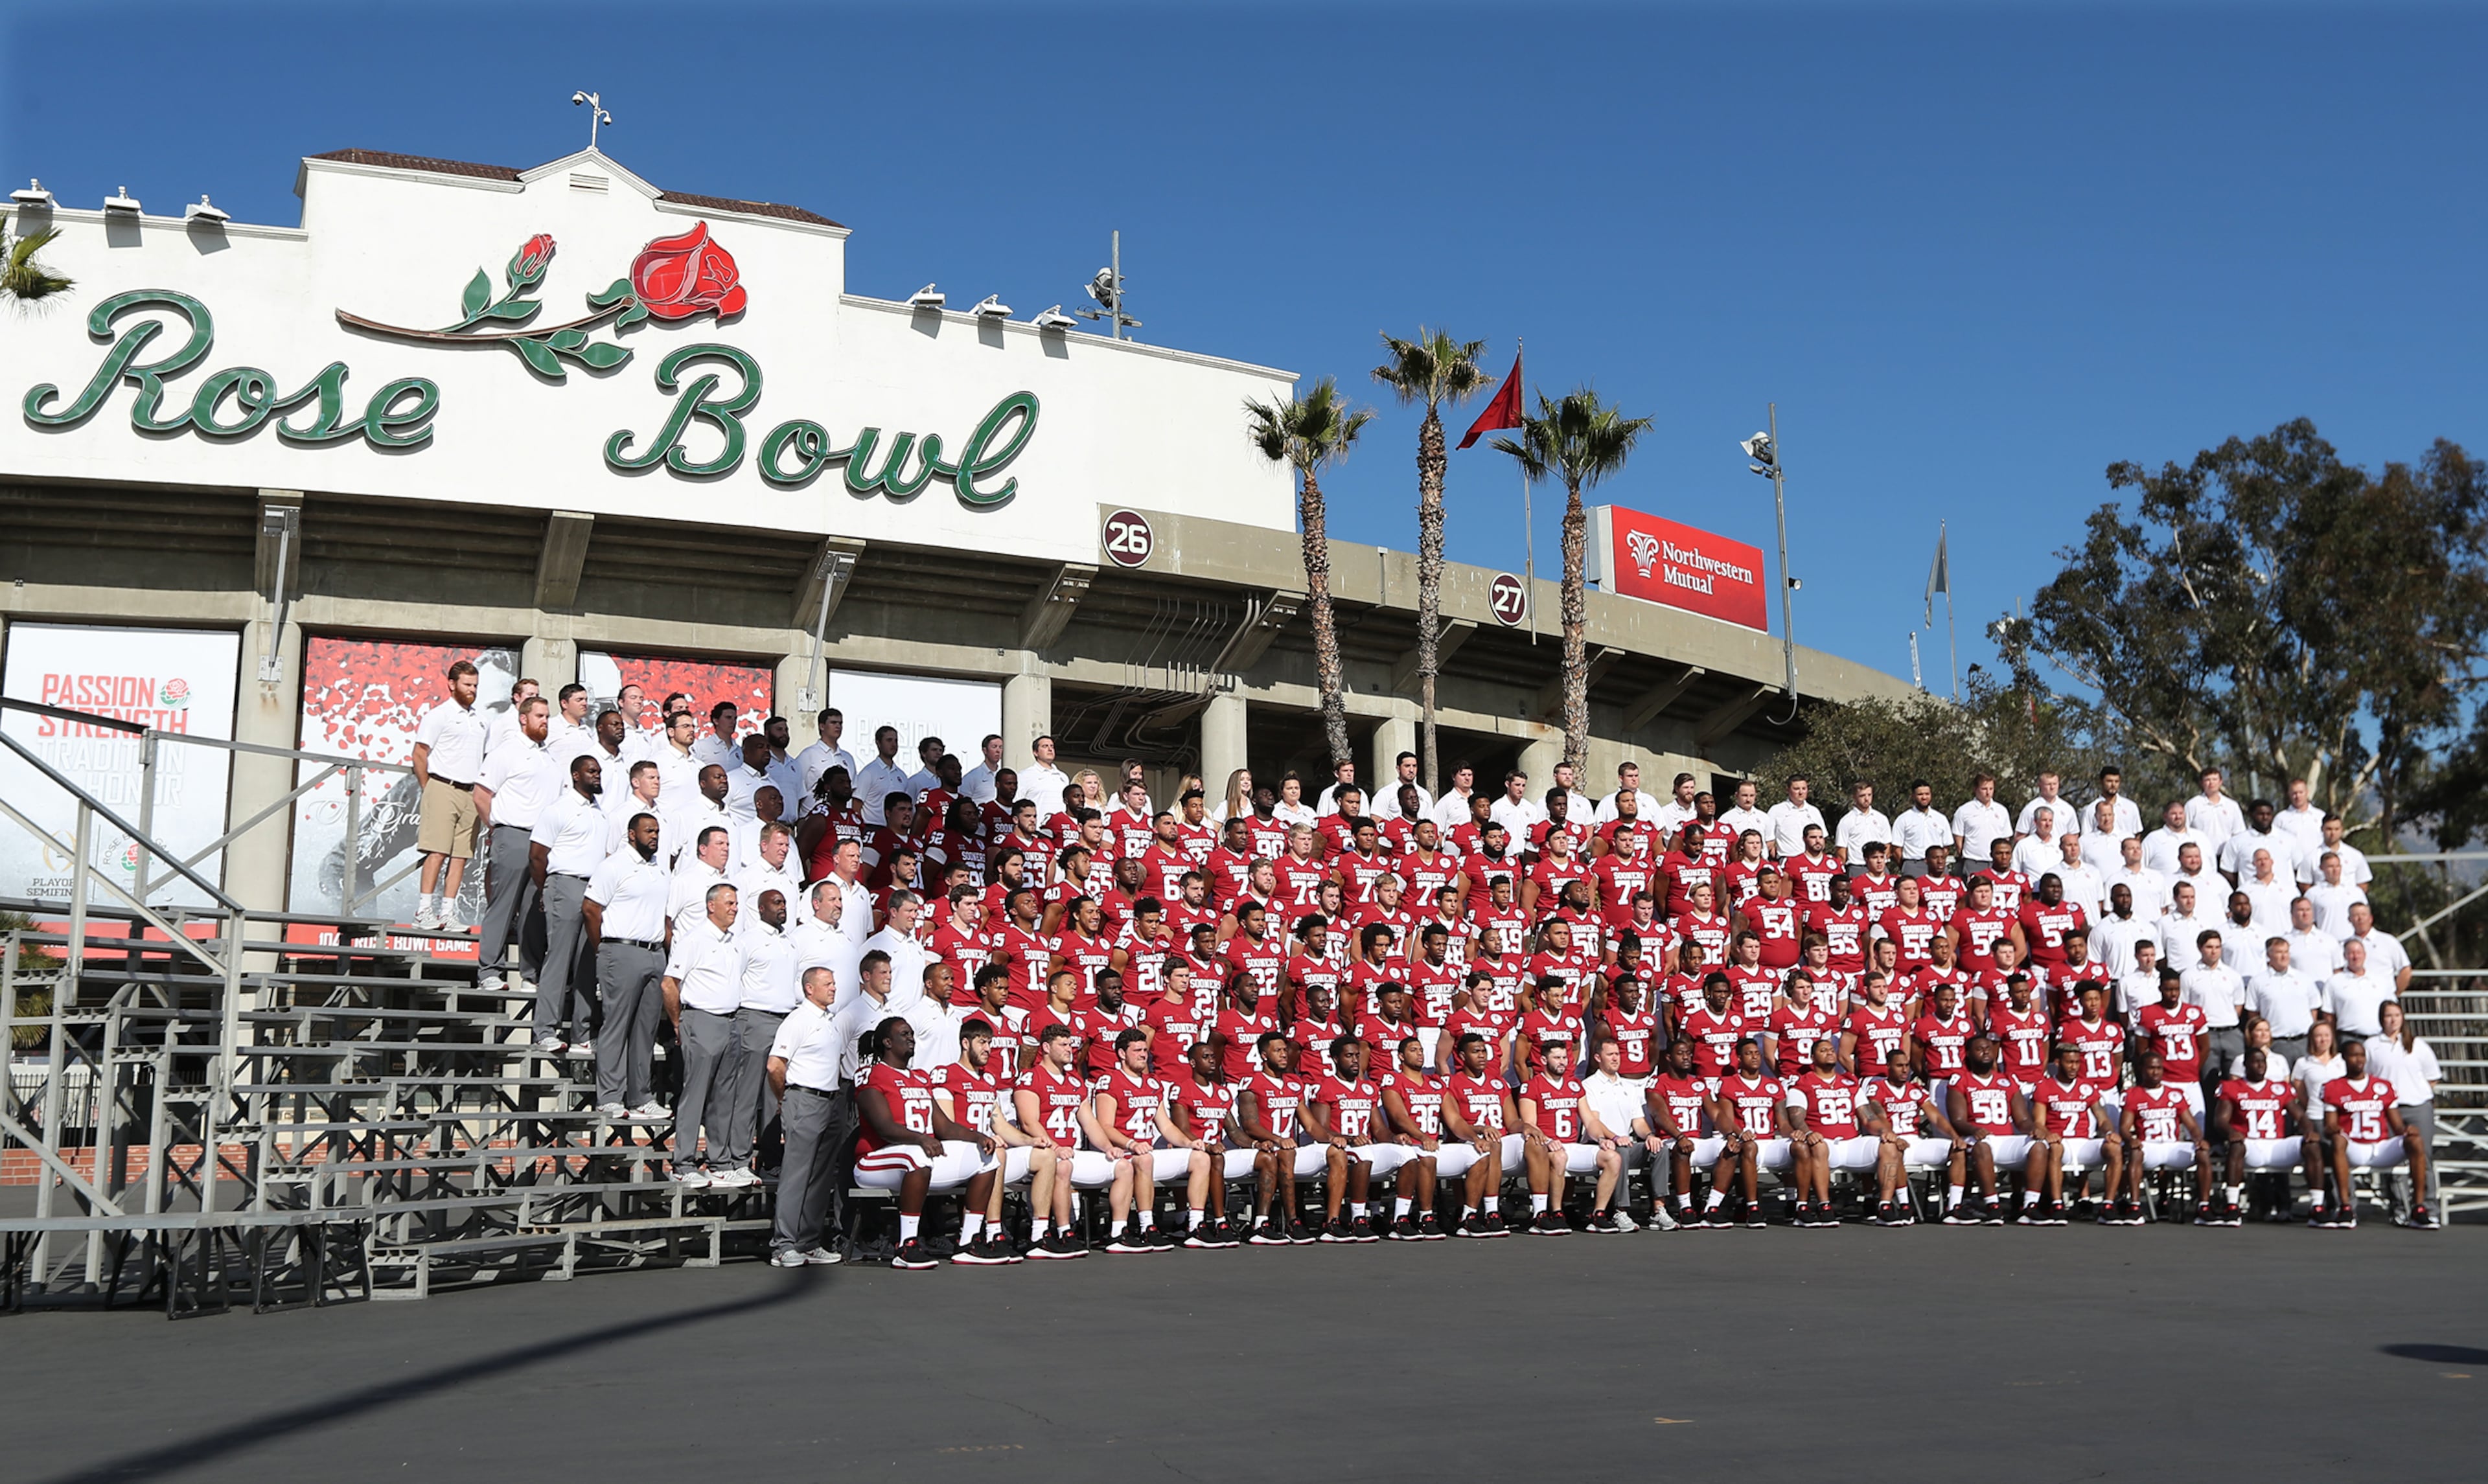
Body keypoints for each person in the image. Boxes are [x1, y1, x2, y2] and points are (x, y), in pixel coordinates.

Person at [851, 1018, 999, 1269]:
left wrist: (979, 1137)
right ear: (887, 1042)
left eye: (912, 1033)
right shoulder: (872, 1074)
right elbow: (883, 1127)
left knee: (986, 1157)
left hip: (918, 1159)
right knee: (915, 1155)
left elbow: (944, 1126)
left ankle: (968, 1242)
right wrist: (921, 1139)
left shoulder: (919, 1077)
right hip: (875, 1160)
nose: (911, 1038)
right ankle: (906, 1244)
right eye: (904, 1034)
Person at [584, 810, 672, 1119]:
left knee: (646, 1030)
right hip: (621, 950)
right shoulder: (614, 866)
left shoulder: (660, 870)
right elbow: (591, 909)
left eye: (657, 831)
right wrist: (604, 950)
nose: (654, 836)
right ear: (632, 834)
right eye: (649, 831)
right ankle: (610, 1096)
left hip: (654, 952)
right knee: (616, 1025)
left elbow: (665, 916)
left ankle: (641, 1096)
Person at [662, 882, 750, 1187]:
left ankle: (719, 1162)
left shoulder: (735, 942)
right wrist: (678, 1023)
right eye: (729, 903)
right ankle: (683, 1163)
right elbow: (669, 983)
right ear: (711, 905)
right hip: (701, 1020)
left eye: (736, 903)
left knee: (725, 1098)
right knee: (695, 1095)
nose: (735, 908)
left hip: (731, 1022)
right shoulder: (694, 940)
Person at [765, 966, 849, 1266]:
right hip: (804, 1099)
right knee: (797, 1176)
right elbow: (776, 1065)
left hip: (830, 1101)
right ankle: (783, 1244)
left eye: (834, 982)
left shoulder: (829, 1021)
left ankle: (808, 1241)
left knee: (821, 1176)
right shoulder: (799, 1020)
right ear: (809, 989)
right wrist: (785, 1099)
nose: (834, 988)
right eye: (827, 983)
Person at [529, 753, 608, 1056]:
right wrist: (546, 889)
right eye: (591, 771)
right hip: (564, 883)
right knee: (559, 959)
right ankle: (545, 1030)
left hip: (593, 891)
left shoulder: (600, 812)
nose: (597, 775)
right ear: (576, 775)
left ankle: (582, 1033)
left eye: (599, 771)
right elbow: (537, 855)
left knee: (588, 963)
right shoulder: (558, 809)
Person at [2317, 1036, 2436, 1229]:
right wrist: (2334, 1129)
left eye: (2362, 1055)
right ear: (2344, 1059)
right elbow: (2329, 1126)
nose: (2359, 1060)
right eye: (2354, 1056)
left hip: (2381, 1146)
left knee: (2415, 1141)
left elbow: (2397, 1126)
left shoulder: (2383, 1086)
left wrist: (2407, 1130)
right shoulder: (2333, 1087)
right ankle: (2346, 1207)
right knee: (2338, 1141)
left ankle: (2419, 1208)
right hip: (2353, 1147)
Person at [410, 659, 489, 931]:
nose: (472, 690)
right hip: (443, 786)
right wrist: (428, 786)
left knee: (461, 856)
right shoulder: (438, 715)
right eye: (468, 685)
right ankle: (423, 911)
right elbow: (420, 753)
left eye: (475, 685)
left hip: (470, 792)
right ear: (452, 684)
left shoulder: (481, 720)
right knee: (437, 851)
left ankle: (447, 912)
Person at [1517, 1039, 1621, 1235]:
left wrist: (1601, 1139)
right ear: (1543, 1060)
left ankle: (1598, 1215)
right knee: (1559, 1156)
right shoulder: (1532, 1086)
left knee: (1613, 1158)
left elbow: (1590, 1121)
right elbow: (1530, 1125)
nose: (1562, 1062)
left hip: (1571, 1144)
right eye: (1557, 1058)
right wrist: (1548, 1141)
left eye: (1565, 1057)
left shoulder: (1574, 1085)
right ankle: (1557, 1212)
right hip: (1546, 1147)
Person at [2110, 1049, 2211, 1226]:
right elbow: (2124, 1127)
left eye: (2159, 1068)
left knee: (2202, 1153)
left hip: (2172, 1145)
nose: (2155, 1072)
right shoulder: (2133, 1094)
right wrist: (2131, 1139)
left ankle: (2204, 1207)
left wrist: (2198, 1139)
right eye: (2151, 1068)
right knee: (2135, 1153)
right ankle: (2135, 1206)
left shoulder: (2175, 1094)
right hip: (2149, 1146)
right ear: (2142, 1070)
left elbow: (2192, 1125)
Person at [2363, 1000, 2442, 1222]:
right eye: (2388, 1016)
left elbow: (2432, 1077)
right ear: (2382, 1019)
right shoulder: (2371, 1046)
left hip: (2417, 1107)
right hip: (2387, 1110)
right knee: (2393, 1160)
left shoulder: (2417, 1045)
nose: (2393, 1020)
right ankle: (2399, 1208)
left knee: (2423, 1158)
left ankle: (2427, 1207)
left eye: (2397, 1015)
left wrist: (2416, 1092)